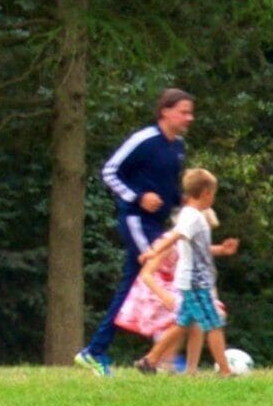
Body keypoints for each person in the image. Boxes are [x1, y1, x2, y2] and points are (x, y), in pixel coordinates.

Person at [81, 87, 194, 372]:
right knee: (155, 277)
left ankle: (102, 350)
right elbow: (109, 171)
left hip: (158, 225)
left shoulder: (178, 146)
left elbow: (169, 188)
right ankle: (158, 356)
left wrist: (184, 208)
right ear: (165, 111)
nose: (189, 118)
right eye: (183, 112)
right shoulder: (143, 140)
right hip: (137, 222)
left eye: (190, 113)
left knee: (137, 283)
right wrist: (137, 197)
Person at [131, 167, 239, 374]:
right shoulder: (191, 216)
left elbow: (196, 247)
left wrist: (222, 250)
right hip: (195, 282)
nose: (213, 198)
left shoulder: (192, 215)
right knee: (214, 324)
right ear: (206, 193)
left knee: (183, 323)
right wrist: (152, 253)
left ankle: (149, 360)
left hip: (194, 281)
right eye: (214, 194)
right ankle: (226, 371)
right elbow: (174, 237)